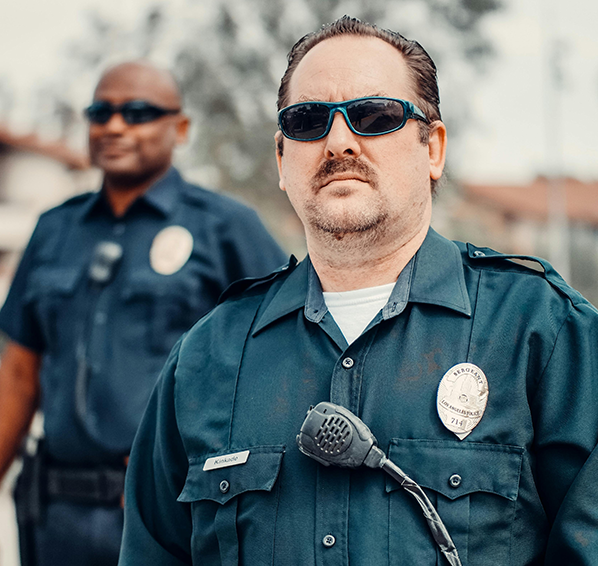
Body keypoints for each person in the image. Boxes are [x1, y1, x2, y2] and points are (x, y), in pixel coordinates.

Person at [118, 17, 598, 566]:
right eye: (308, 121)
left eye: (375, 116)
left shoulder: (545, 333)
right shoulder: (205, 359)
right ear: (281, 159)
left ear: (433, 148)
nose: (339, 141)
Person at [0, 61, 286, 566]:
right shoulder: (54, 230)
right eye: (101, 112)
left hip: (167, 516)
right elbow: (19, 377)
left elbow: (282, 354)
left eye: (137, 113)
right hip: (56, 518)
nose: (114, 126)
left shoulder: (226, 226)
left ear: (179, 128)